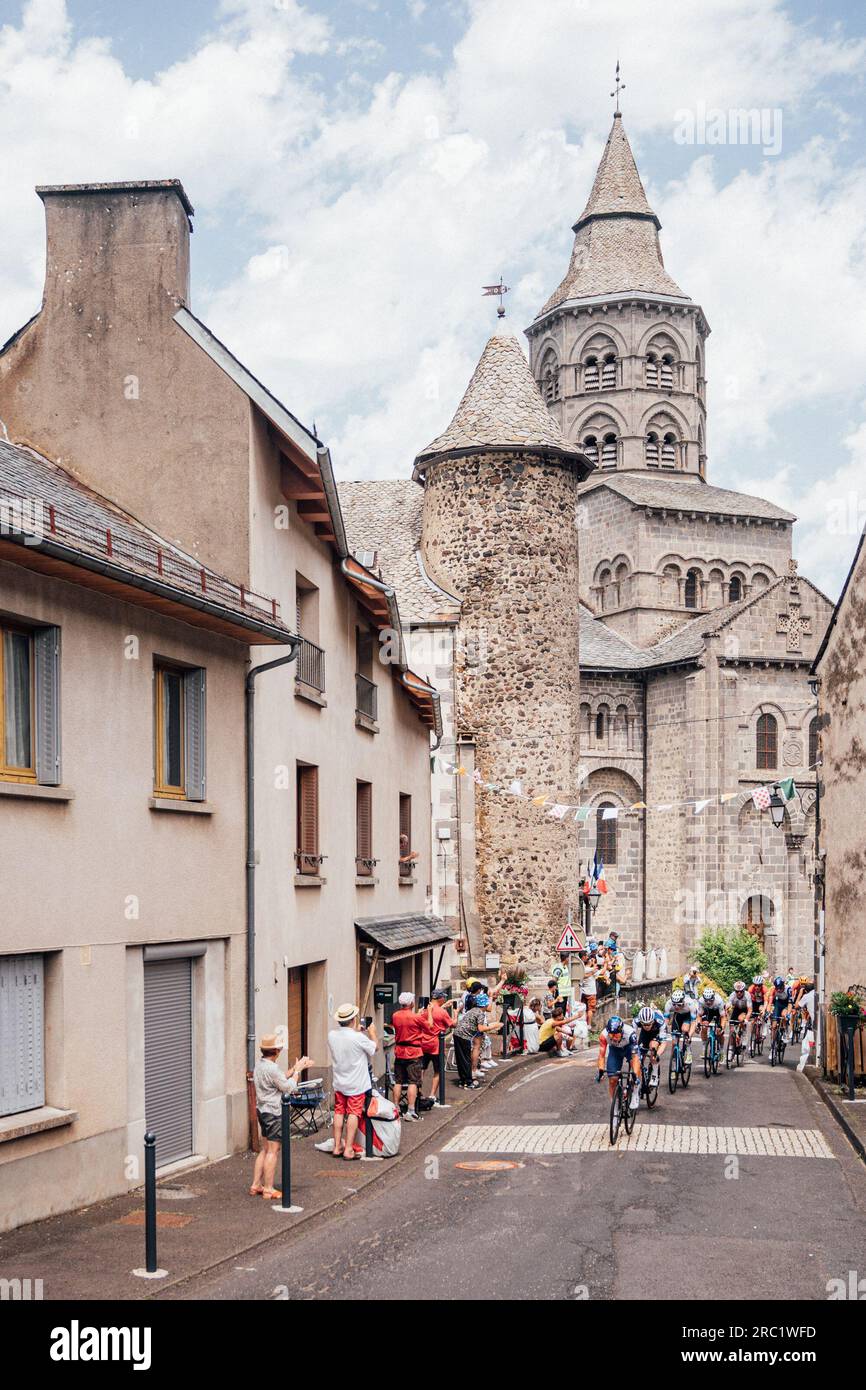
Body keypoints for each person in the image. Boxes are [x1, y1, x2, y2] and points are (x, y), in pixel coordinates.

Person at [251, 1035, 314, 1197]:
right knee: (273, 1150)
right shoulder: (272, 1068)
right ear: (276, 1051)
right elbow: (288, 1088)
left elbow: (278, 1079)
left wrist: (294, 1068)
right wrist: (298, 1072)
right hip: (273, 1112)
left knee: (264, 1150)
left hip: (262, 1110)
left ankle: (256, 1185)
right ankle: (268, 1188)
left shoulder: (260, 1065)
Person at [316, 1004, 377, 1160]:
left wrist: (356, 1031)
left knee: (339, 1111)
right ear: (353, 1019)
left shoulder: (332, 1035)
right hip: (356, 1084)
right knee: (353, 1113)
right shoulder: (359, 1038)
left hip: (339, 1082)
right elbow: (374, 1048)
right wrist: (373, 1033)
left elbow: (346, 1038)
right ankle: (349, 1149)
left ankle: (337, 1146)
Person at [391, 991, 426, 1121]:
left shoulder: (395, 1015)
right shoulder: (416, 1017)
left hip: (400, 1050)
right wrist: (421, 1014)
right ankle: (411, 1111)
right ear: (411, 1003)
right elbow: (429, 1026)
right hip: (414, 1051)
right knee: (413, 1082)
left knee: (398, 1081)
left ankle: (396, 1108)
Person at [453, 992, 500, 1088]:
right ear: (485, 1004)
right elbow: (481, 1028)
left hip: (457, 1034)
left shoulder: (474, 1009)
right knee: (466, 1059)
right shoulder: (480, 1013)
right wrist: (494, 1025)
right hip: (464, 1036)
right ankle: (468, 1082)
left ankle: (463, 1081)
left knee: (461, 1059)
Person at [596, 1014, 642, 1110]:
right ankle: (615, 1106)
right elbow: (601, 1055)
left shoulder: (630, 1034)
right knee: (612, 1079)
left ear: (622, 1031)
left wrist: (635, 1075)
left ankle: (635, 1092)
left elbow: (635, 1057)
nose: (614, 1037)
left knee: (635, 1071)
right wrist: (600, 1070)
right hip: (615, 1050)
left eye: (616, 1034)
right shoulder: (603, 1035)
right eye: (611, 1034)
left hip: (629, 1048)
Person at [422, 989, 457, 1104]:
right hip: (436, 1045)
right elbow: (453, 1024)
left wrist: (444, 1007)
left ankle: (419, 1092)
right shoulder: (442, 1013)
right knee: (438, 1071)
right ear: (440, 998)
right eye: (444, 998)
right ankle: (432, 1095)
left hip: (423, 1043)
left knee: (422, 1069)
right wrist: (456, 1013)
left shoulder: (424, 1010)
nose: (445, 999)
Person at [632, 1004, 670, 1082]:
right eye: (644, 1024)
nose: (646, 1026)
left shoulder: (660, 1022)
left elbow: (664, 1043)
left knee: (653, 1047)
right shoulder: (636, 1021)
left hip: (656, 1033)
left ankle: (654, 1074)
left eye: (649, 1024)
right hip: (644, 1035)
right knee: (639, 1057)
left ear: (653, 1021)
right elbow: (632, 1039)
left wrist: (657, 1055)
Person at [664, 987, 696, 1063]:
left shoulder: (690, 1003)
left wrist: (690, 1035)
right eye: (674, 1004)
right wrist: (664, 1030)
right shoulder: (668, 1004)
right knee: (674, 1042)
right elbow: (666, 1019)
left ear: (683, 1001)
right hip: (677, 1016)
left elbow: (693, 1022)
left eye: (679, 1004)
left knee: (685, 1029)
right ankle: (673, 1063)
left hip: (687, 1016)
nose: (676, 1007)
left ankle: (688, 1051)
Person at [697, 985, 727, 1052]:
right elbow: (699, 1015)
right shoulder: (701, 1001)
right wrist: (698, 1024)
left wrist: (722, 1027)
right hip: (708, 1012)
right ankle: (704, 1046)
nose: (708, 1002)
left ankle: (722, 1050)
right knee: (704, 1026)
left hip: (718, 1012)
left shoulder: (719, 1001)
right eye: (706, 1000)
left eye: (710, 1000)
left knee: (719, 1032)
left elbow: (723, 1017)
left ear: (713, 997)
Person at [726, 981, 752, 1054]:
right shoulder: (732, 995)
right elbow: (728, 1005)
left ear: (743, 991)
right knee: (731, 1030)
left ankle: (744, 1034)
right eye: (737, 991)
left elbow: (750, 1010)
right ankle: (731, 1047)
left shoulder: (747, 995)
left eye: (741, 991)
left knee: (741, 1019)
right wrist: (727, 1009)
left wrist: (746, 1019)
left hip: (744, 1010)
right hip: (736, 1009)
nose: (739, 993)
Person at [578, 950, 599, 1026]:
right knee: (590, 1009)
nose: (587, 957)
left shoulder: (582, 968)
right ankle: (589, 1025)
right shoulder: (591, 969)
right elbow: (599, 971)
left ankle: (583, 1023)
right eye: (586, 956)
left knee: (584, 1009)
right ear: (583, 957)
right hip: (591, 992)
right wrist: (593, 965)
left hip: (583, 992)